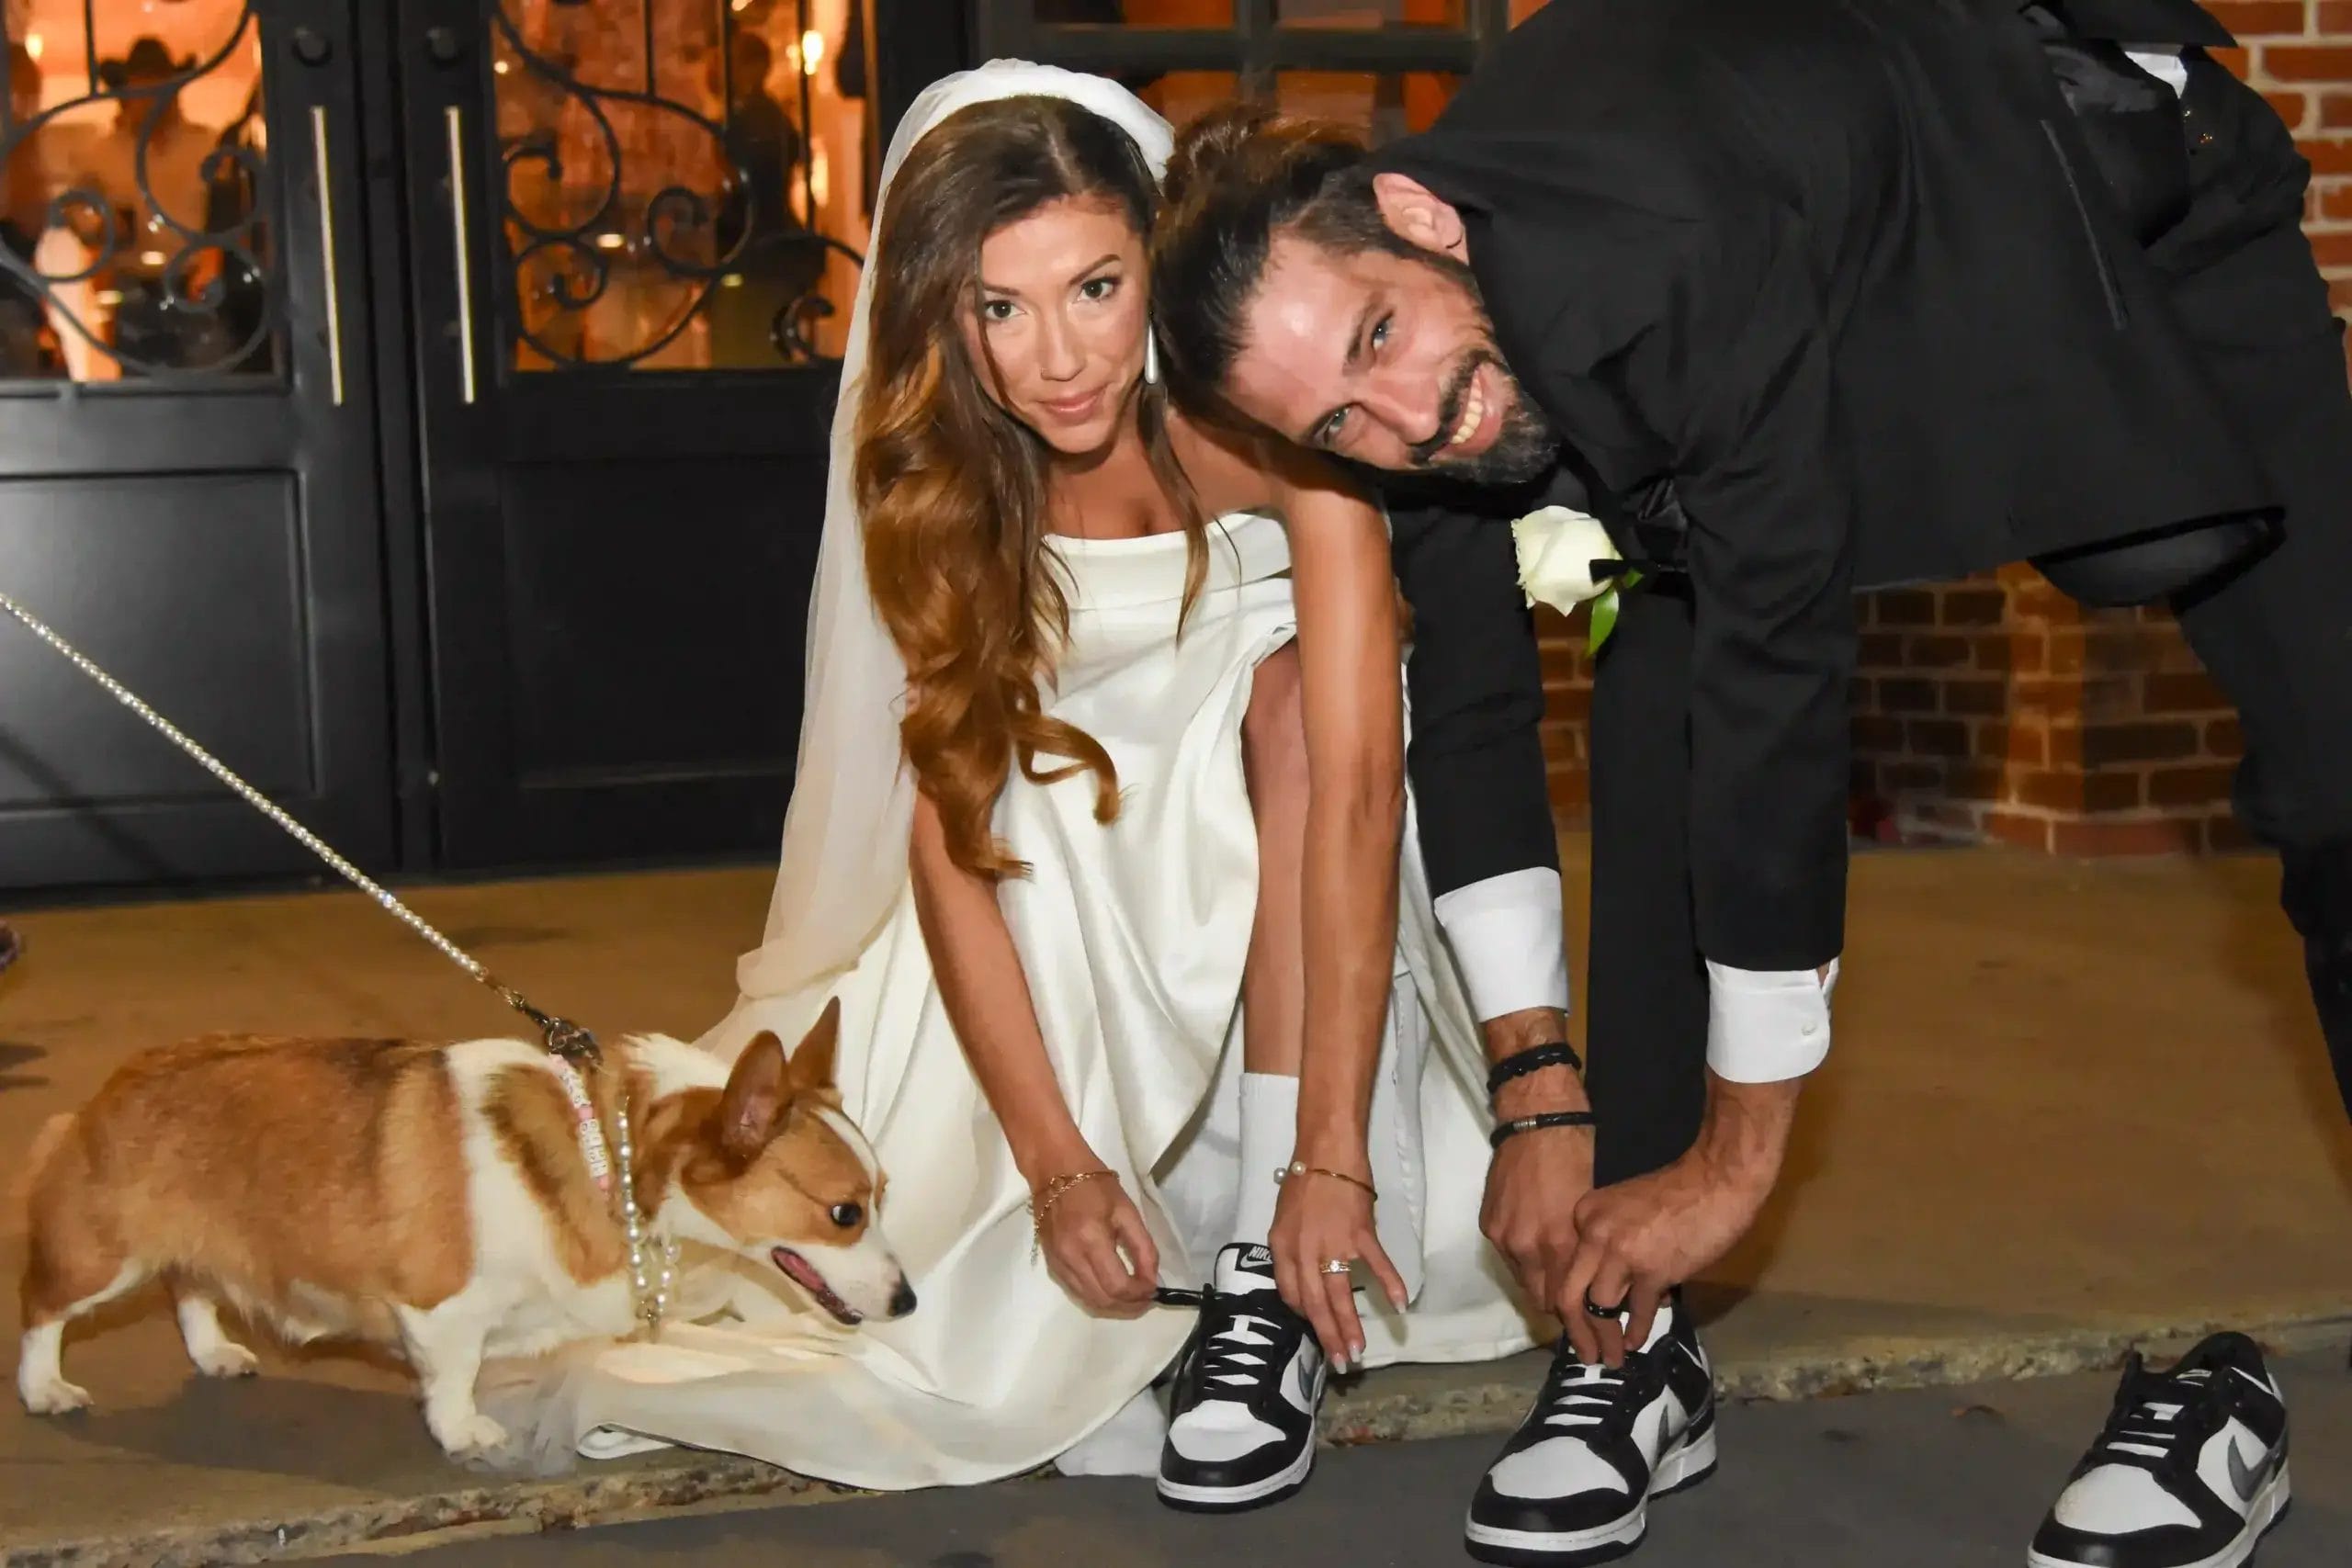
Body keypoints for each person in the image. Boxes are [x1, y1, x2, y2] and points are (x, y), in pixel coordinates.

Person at [1150, 2, 2346, 1564]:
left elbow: (1785, 682)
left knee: (2340, 782)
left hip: (2115, 213)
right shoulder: (1413, 396)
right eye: (1337, 424)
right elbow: (1471, 708)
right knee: (1657, 677)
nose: (1402, 420)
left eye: (1383, 338)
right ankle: (1633, 1339)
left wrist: (1740, 1161)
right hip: (1827, 289)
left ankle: (1672, 1215)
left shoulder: (1663, 258)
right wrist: (1537, 1094)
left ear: (1426, 222)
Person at [486, 62, 1536, 1506]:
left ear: (1151, 267)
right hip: (1072, 854)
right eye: (1001, 307)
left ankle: (1258, 1271)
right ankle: (1097, 1213)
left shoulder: (1274, 430)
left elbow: (1360, 785)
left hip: (1288, 827)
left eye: (1096, 287)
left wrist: (1331, 1163)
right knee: (1018, 801)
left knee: (1292, 703)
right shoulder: (953, 479)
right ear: (947, 319)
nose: (1059, 358)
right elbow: (951, 847)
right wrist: (1053, 1167)